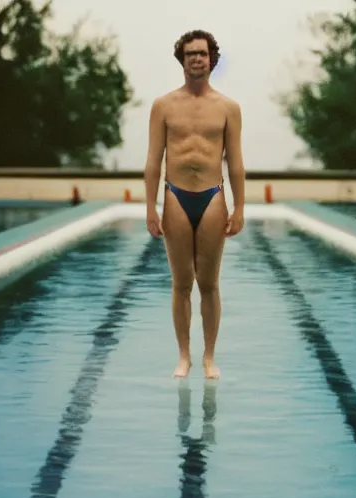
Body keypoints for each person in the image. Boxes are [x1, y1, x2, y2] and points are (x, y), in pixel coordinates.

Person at [144, 30, 245, 379]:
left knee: (210, 283)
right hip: (175, 196)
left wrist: (241, 207)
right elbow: (153, 160)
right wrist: (149, 207)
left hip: (213, 196)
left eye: (202, 53)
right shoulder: (163, 106)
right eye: (190, 54)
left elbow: (235, 162)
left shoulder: (228, 108)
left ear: (212, 59)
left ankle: (209, 357)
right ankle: (184, 356)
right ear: (182, 60)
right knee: (181, 283)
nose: (197, 59)